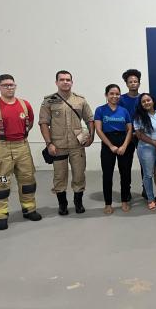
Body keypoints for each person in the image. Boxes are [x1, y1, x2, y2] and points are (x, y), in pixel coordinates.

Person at [0, 74, 41, 230]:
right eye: (5, 85)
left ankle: (29, 209)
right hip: (2, 149)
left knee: (27, 179)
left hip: (22, 147)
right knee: (2, 182)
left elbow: (31, 122)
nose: (9, 87)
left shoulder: (24, 104)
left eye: (12, 85)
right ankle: (1, 215)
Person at [39, 70, 94, 215]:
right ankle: (62, 204)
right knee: (59, 176)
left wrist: (91, 137)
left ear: (72, 82)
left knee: (79, 175)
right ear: (56, 82)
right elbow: (43, 123)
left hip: (77, 146)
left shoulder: (80, 100)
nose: (65, 82)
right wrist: (48, 143)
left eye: (68, 79)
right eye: (62, 79)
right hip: (58, 146)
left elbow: (90, 119)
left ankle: (78, 202)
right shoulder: (49, 101)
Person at [94, 84, 133, 214]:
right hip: (107, 143)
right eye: (112, 93)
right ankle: (108, 203)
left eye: (117, 94)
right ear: (106, 95)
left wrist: (124, 146)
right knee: (107, 175)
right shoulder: (100, 110)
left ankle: (124, 201)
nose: (114, 96)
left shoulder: (124, 111)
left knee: (125, 174)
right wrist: (110, 146)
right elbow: (99, 130)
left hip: (123, 142)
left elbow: (129, 130)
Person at [118, 69, 142, 199]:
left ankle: (146, 189)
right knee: (126, 166)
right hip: (126, 136)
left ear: (139, 83)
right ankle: (126, 192)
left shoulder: (144, 98)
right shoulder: (121, 99)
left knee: (146, 164)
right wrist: (130, 132)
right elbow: (118, 116)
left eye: (135, 81)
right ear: (126, 84)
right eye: (130, 82)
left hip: (141, 136)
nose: (133, 84)